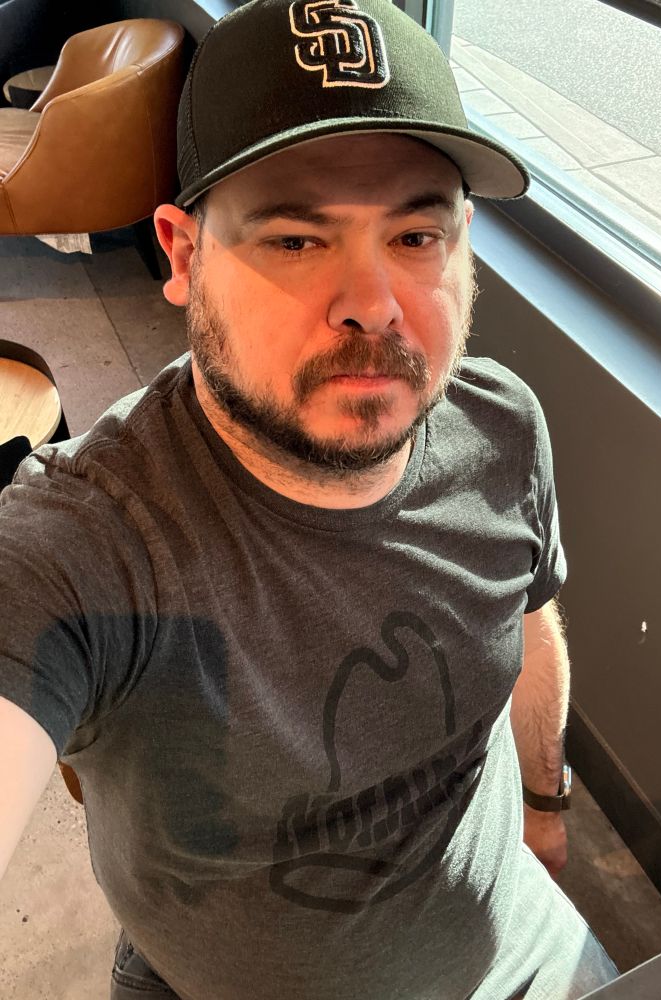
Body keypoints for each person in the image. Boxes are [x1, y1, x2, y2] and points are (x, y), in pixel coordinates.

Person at [0, 1, 618, 997]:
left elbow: (529, 623)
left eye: (416, 233)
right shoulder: (86, 537)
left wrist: (546, 804)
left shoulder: (503, 426)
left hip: (528, 951)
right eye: (295, 239)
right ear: (183, 253)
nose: (372, 302)